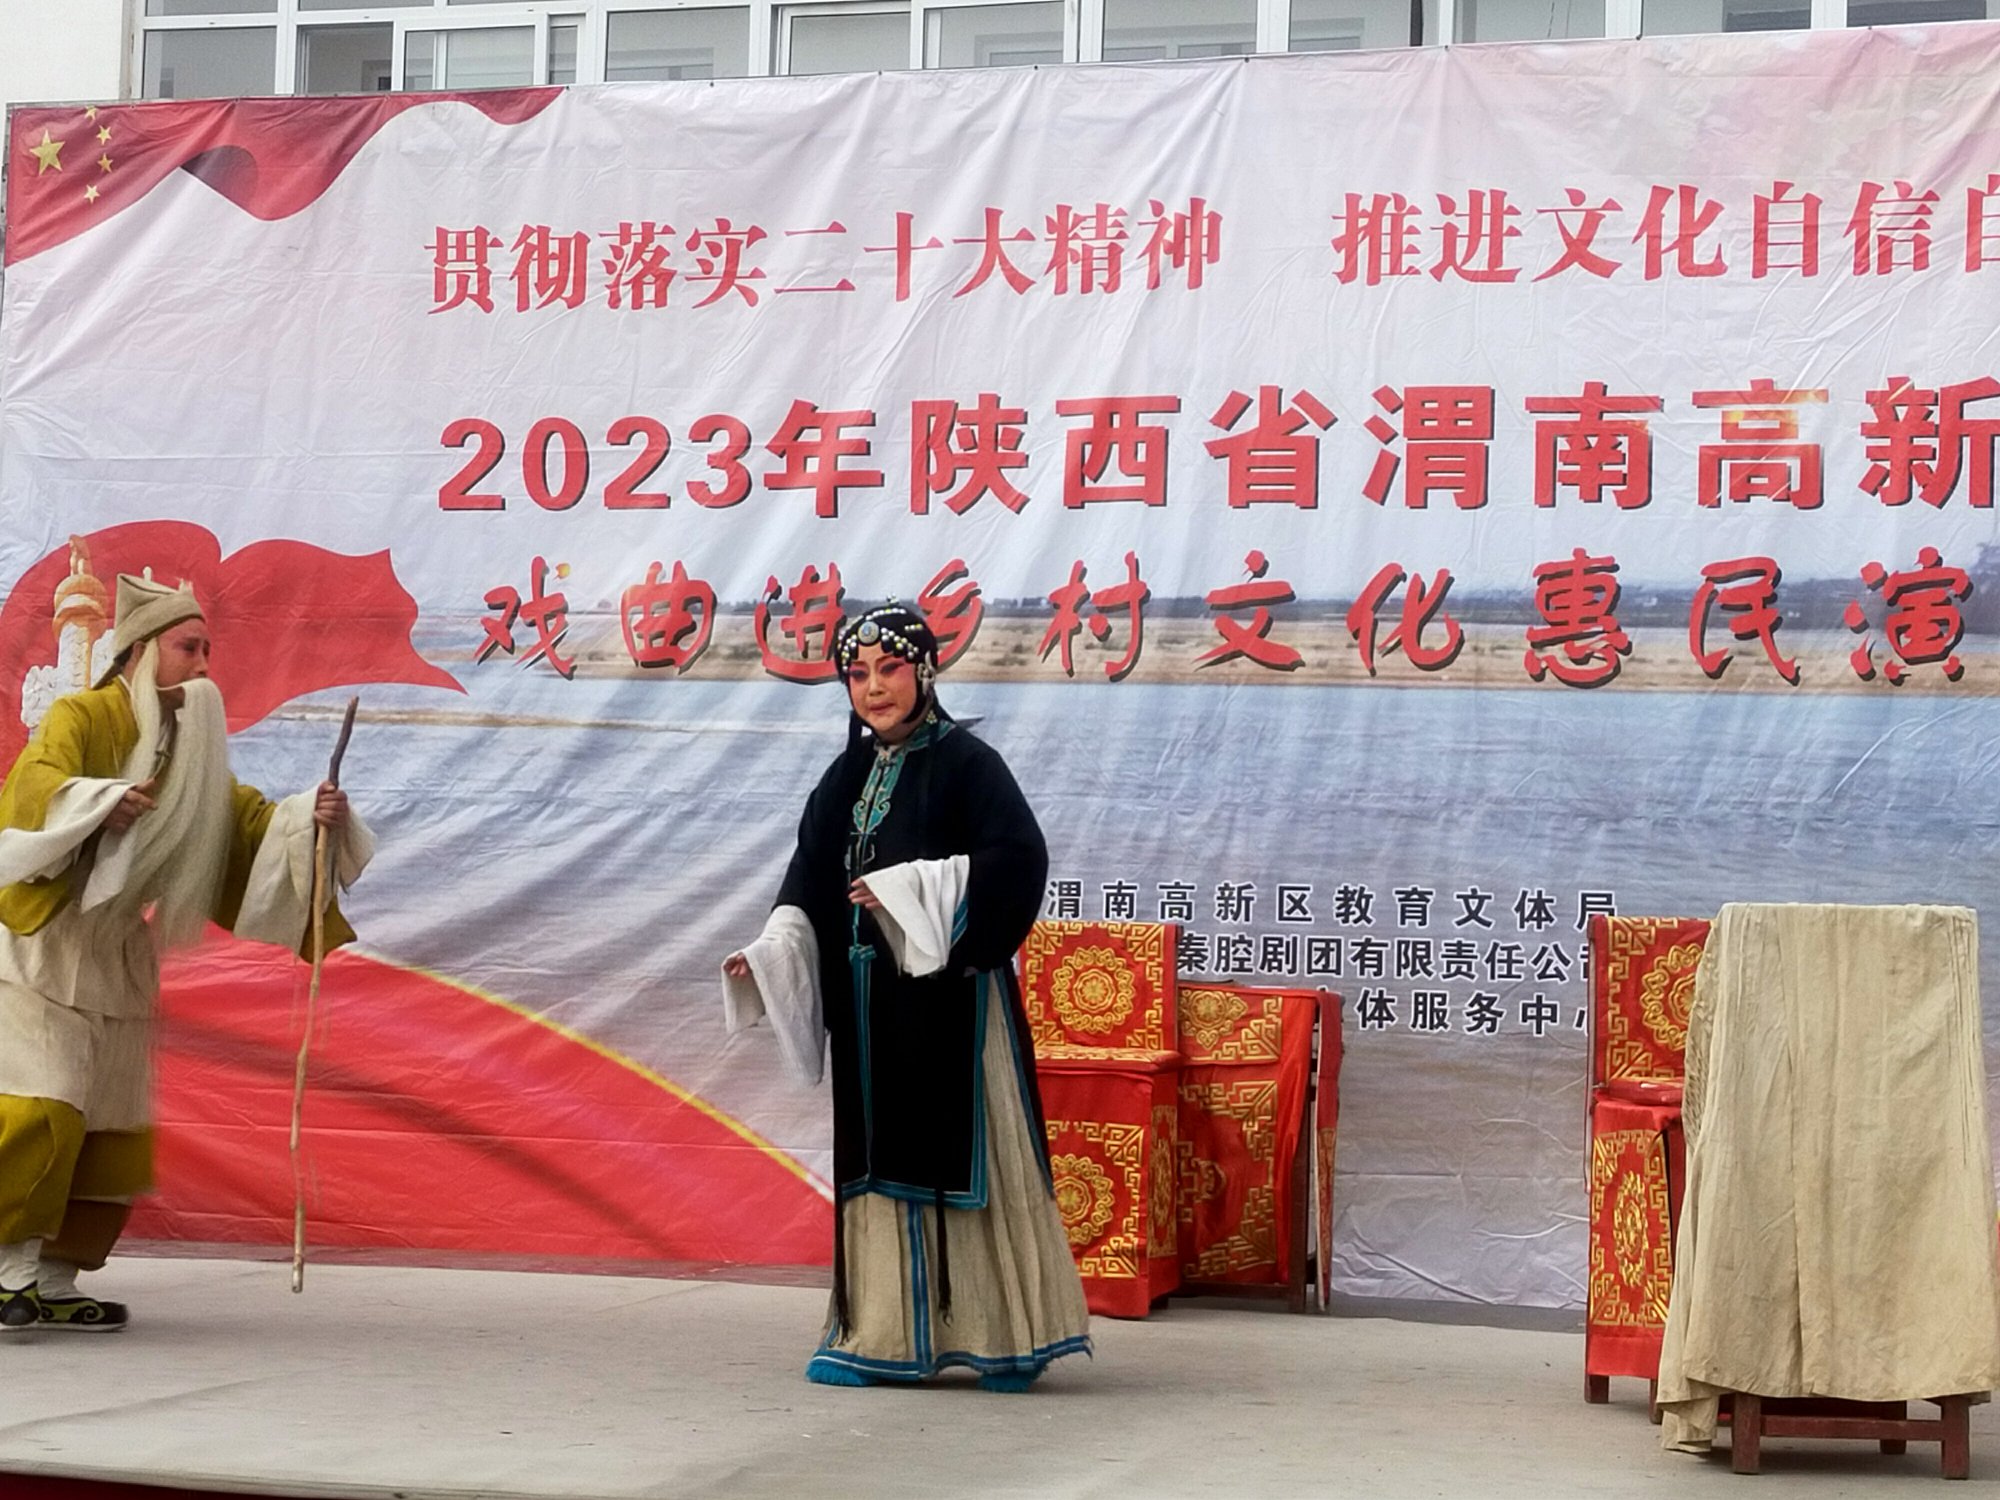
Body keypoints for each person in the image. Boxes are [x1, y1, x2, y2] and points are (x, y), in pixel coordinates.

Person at [723, 602, 1089, 1390]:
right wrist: (773, 951)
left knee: (969, 1156)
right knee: (877, 1161)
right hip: (869, 1011)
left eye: (889, 669)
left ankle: (1004, 1338)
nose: (874, 688)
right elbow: (807, 883)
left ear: (924, 671)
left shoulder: (969, 765)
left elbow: (1017, 862)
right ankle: (881, 1338)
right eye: (858, 674)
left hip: (955, 1004)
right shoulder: (844, 777)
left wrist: (915, 892)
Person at [0, 571, 372, 1330]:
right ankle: (8, 1272)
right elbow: (35, 791)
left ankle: (57, 1279)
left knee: (108, 1123)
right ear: (140, 652)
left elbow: (246, 830)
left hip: (118, 959)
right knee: (45, 1105)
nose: (203, 666)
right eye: (188, 648)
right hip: (42, 949)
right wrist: (100, 805)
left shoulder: (189, 753)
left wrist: (314, 819)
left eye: (206, 651)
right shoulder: (81, 716)